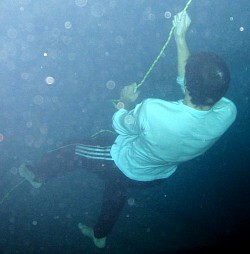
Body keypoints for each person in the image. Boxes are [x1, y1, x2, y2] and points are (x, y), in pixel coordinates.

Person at [18, 11, 237, 249]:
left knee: (74, 149)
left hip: (124, 162)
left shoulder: (155, 111)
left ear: (188, 83)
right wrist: (180, 38)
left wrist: (125, 102)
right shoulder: (227, 112)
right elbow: (192, 85)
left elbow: (119, 123)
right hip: (157, 175)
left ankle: (37, 175)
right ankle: (100, 234)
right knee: (116, 191)